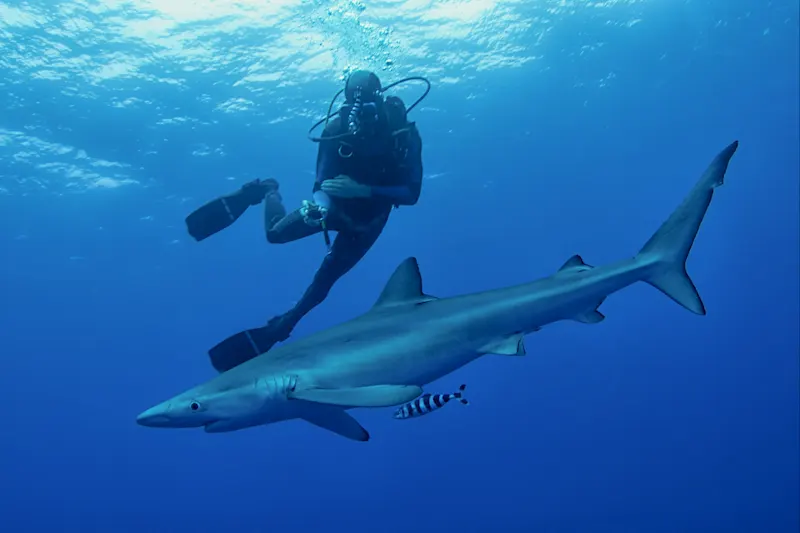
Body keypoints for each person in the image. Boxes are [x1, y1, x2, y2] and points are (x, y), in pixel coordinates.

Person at [184, 70, 429, 372]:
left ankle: (281, 327)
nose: (363, 119)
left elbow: (411, 193)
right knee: (275, 235)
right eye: (356, 110)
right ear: (347, 106)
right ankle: (265, 189)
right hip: (333, 208)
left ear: (380, 101)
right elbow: (320, 183)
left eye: (368, 109)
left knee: (323, 282)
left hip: (370, 220)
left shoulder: (402, 133)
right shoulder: (336, 129)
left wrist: (363, 190)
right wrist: (319, 207)